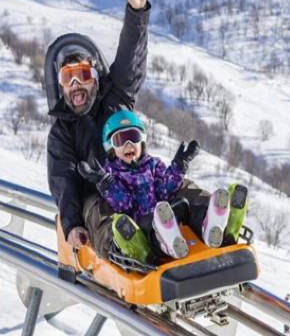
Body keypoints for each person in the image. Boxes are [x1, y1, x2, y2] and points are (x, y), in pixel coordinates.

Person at [46, 0, 152, 254]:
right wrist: (72, 224)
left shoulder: (117, 97)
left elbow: (131, 56)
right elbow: (64, 180)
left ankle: (210, 219)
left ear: (95, 78)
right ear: (60, 87)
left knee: (178, 187)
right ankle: (128, 250)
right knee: (103, 213)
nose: (75, 85)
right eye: (67, 78)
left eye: (82, 75)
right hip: (98, 196)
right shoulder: (62, 132)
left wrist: (137, 12)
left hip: (138, 181)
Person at [78, 110, 245, 263]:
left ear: (142, 141)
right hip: (143, 223)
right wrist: (107, 184)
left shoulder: (153, 164)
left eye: (133, 137)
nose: (128, 144)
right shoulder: (112, 174)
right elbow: (125, 205)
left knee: (189, 208)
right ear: (111, 147)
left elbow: (166, 190)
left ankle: (209, 226)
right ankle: (169, 244)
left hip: (167, 213)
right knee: (153, 229)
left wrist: (179, 166)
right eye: (120, 140)